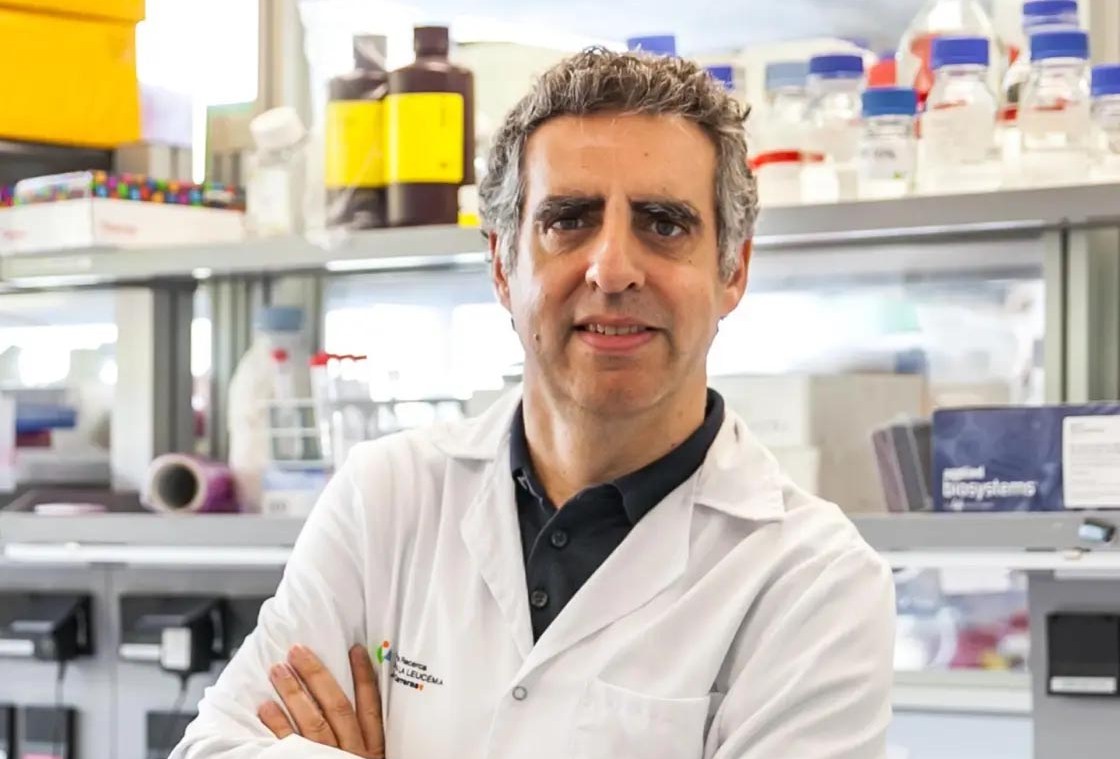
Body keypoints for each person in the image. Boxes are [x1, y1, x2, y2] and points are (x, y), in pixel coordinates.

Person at [171, 48, 895, 759]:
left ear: (732, 270)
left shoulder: (814, 582)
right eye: (569, 219)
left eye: (664, 224)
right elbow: (214, 748)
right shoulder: (386, 499)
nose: (612, 268)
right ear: (500, 263)